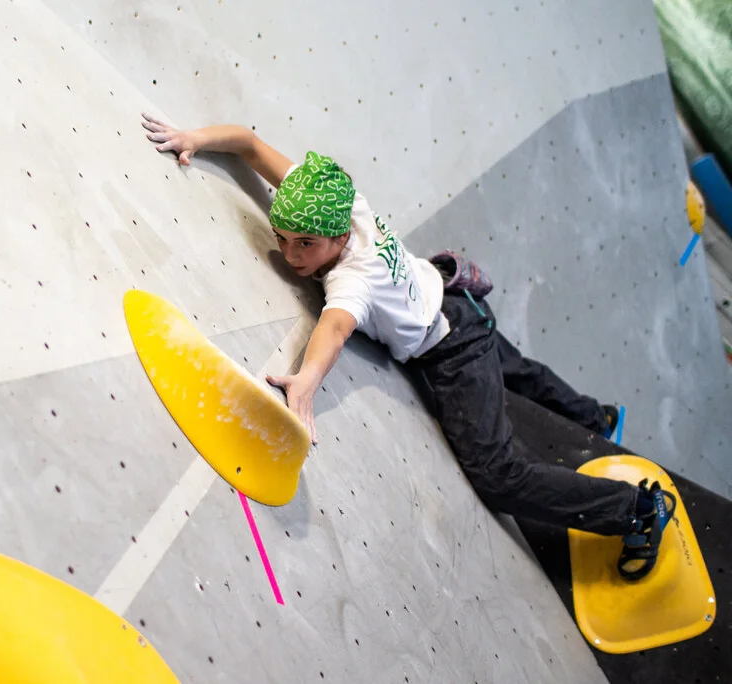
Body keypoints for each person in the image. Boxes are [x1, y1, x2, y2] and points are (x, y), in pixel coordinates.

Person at [140, 112, 674, 581]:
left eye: (306, 245)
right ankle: (596, 418)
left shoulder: (355, 281)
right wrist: (197, 137)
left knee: (497, 474)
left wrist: (304, 381)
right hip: (455, 295)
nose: (291, 253)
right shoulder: (336, 203)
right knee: (519, 370)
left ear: (339, 239)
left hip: (453, 349)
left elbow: (334, 328)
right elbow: (252, 145)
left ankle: (636, 512)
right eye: (283, 237)